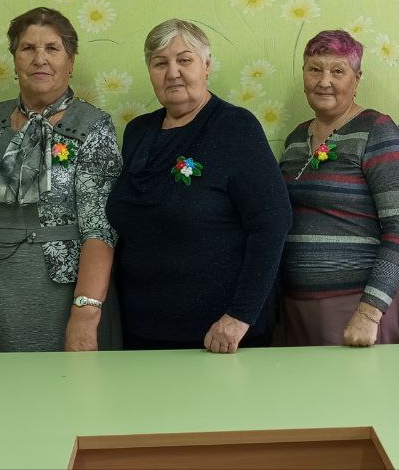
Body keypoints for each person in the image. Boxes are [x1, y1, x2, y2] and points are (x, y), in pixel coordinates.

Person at [106, 19, 290, 353]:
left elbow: (272, 223)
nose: (172, 72)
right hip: (141, 328)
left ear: (206, 65)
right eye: (160, 63)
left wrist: (240, 316)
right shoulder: (137, 132)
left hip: (218, 334)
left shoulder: (236, 127)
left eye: (184, 60)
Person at [0, 7, 122, 352]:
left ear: (71, 61)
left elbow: (100, 228)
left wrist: (85, 313)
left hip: (67, 293)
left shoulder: (93, 125)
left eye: (52, 48)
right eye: (28, 48)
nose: (39, 59)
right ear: (15, 60)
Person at [277, 30, 399, 346]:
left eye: (337, 71)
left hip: (357, 306)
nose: (324, 81)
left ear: (357, 78)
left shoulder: (377, 131)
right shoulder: (296, 138)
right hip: (297, 306)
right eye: (315, 69)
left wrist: (370, 311)